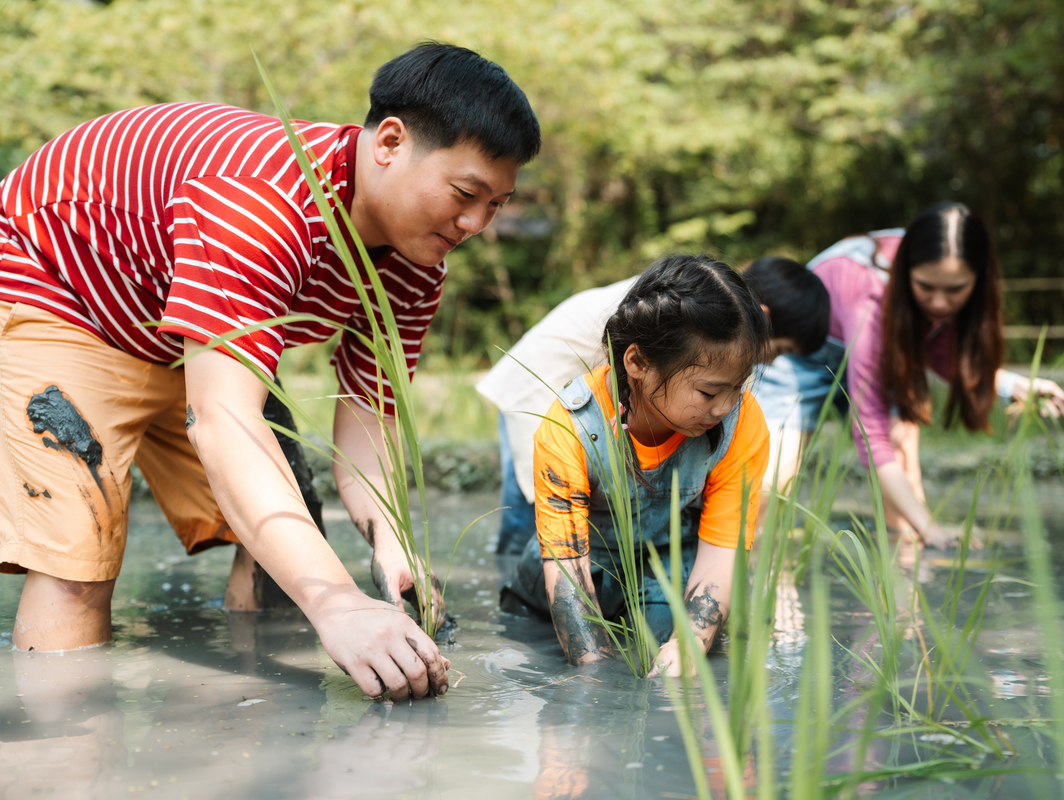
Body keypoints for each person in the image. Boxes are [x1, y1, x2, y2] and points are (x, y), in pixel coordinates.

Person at [0, 42, 541, 699]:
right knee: (77, 563)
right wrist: (338, 604)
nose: (476, 224)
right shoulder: (262, 201)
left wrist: (391, 544)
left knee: (281, 539)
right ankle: (57, 756)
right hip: (58, 289)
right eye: (466, 193)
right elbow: (223, 423)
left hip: (175, 332)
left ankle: (249, 733)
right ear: (391, 142)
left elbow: (369, 424)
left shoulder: (415, 264)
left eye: (497, 205)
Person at [500, 254, 774, 676]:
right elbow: (568, 574)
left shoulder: (742, 424)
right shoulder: (570, 427)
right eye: (708, 392)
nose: (725, 407)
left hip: (668, 566)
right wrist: (595, 679)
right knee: (549, 651)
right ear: (638, 363)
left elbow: (722, 553)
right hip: (579, 567)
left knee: (668, 652)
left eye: (737, 387)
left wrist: (689, 644)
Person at [755, 202, 1064, 546]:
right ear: (906, 274)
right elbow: (869, 433)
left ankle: (906, 577)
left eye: (954, 291)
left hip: (876, 350)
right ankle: (765, 581)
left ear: (979, 279)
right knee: (770, 490)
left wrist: (1013, 384)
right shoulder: (870, 294)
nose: (938, 303)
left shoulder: (941, 279)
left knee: (903, 494)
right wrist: (932, 529)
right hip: (797, 349)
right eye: (926, 288)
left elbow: (943, 355)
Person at [477, 257, 829, 555]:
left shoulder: (706, 312)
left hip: (585, 396)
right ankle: (517, 605)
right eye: (779, 349)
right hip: (541, 387)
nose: (771, 360)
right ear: (762, 319)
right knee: (532, 520)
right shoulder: (678, 313)